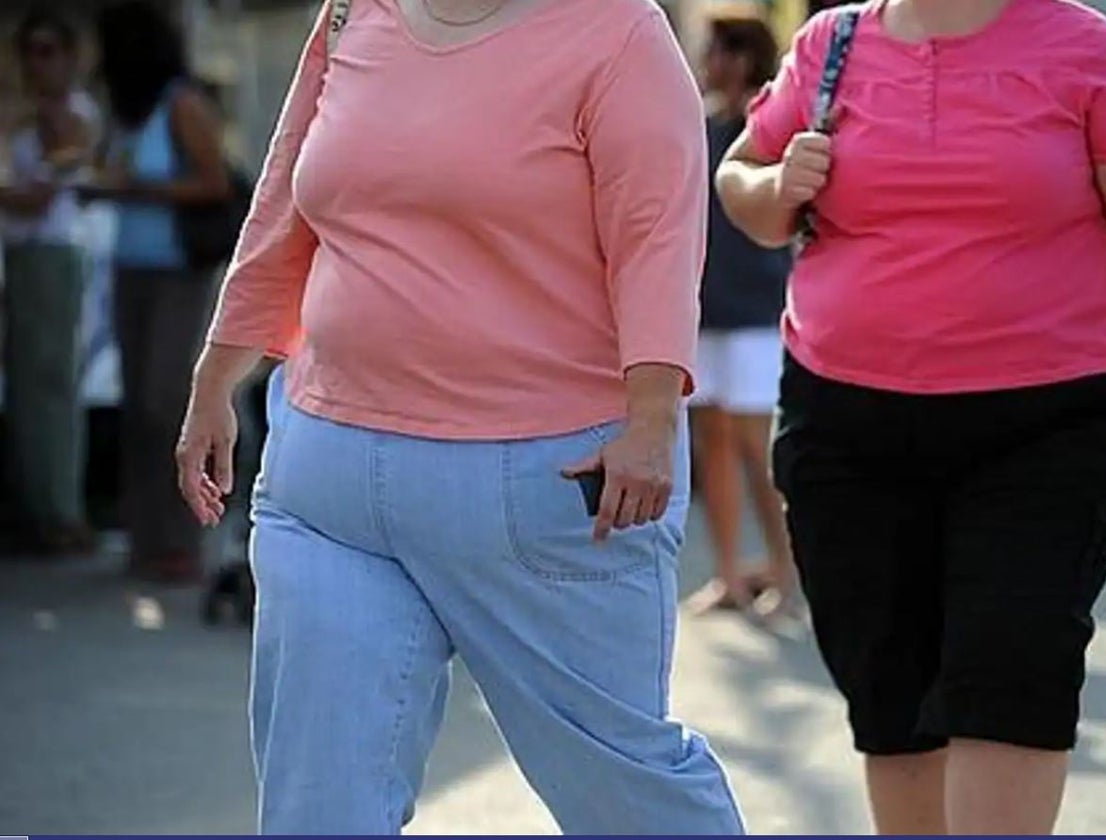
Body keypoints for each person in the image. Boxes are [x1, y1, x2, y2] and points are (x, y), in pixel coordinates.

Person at [176, 0, 745, 833]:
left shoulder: (617, 32)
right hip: (328, 482)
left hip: (545, 483)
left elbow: (657, 235)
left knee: (624, 793)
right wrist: (219, 371)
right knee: (318, 805)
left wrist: (654, 419)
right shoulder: (353, 15)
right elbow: (285, 198)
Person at [716, 0, 1106, 834]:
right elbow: (740, 183)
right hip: (848, 424)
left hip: (1048, 427)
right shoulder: (834, 42)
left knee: (1010, 673)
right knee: (888, 688)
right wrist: (775, 184)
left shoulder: (1080, 45)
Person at [84, 1, 231, 583]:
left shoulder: (182, 104)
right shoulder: (124, 113)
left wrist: (141, 188)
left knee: (165, 401)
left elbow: (215, 182)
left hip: (177, 272)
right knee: (138, 411)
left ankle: (183, 538)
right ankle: (145, 536)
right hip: (130, 269)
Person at [687, 16, 798, 620]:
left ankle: (786, 573)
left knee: (758, 451)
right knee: (713, 447)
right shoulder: (698, 125)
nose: (705, 61)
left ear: (738, 57)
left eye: (713, 52)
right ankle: (728, 575)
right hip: (703, 309)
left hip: (758, 310)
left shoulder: (771, 121)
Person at [0, 11, 97, 555]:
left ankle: (62, 511)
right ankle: (39, 507)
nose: (37, 64)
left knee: (53, 389)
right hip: (20, 255)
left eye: (47, 51)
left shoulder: (73, 114)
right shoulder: (22, 114)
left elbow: (40, 192)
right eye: (29, 52)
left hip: (51, 254)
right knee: (28, 390)